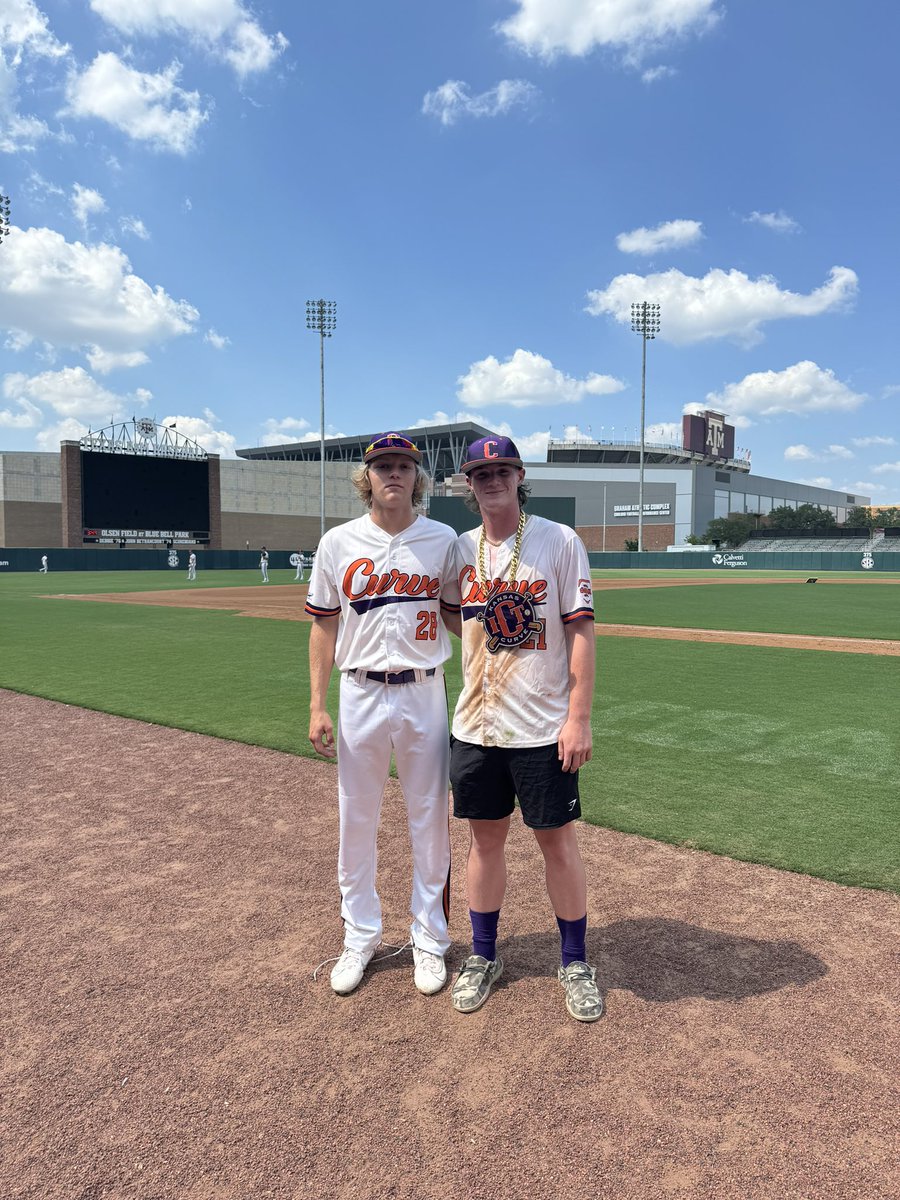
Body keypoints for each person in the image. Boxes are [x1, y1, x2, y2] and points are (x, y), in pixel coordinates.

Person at [448, 434, 603, 1023]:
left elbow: (582, 632)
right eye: (481, 473)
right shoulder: (459, 551)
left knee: (556, 843)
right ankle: (484, 955)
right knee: (484, 841)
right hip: (475, 723)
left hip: (542, 727)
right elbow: (446, 613)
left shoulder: (558, 541)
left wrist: (578, 718)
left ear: (518, 477)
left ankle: (574, 962)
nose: (492, 480)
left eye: (502, 471)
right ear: (469, 484)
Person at [306, 432, 460, 998]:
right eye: (382, 466)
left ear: (417, 477)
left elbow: (457, 615)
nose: (393, 473)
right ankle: (360, 936)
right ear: (365, 477)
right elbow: (323, 624)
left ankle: (429, 938)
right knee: (357, 817)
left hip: (424, 689)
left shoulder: (443, 540)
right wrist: (318, 703)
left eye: (403, 466)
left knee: (429, 818)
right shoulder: (339, 542)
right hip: (360, 692)